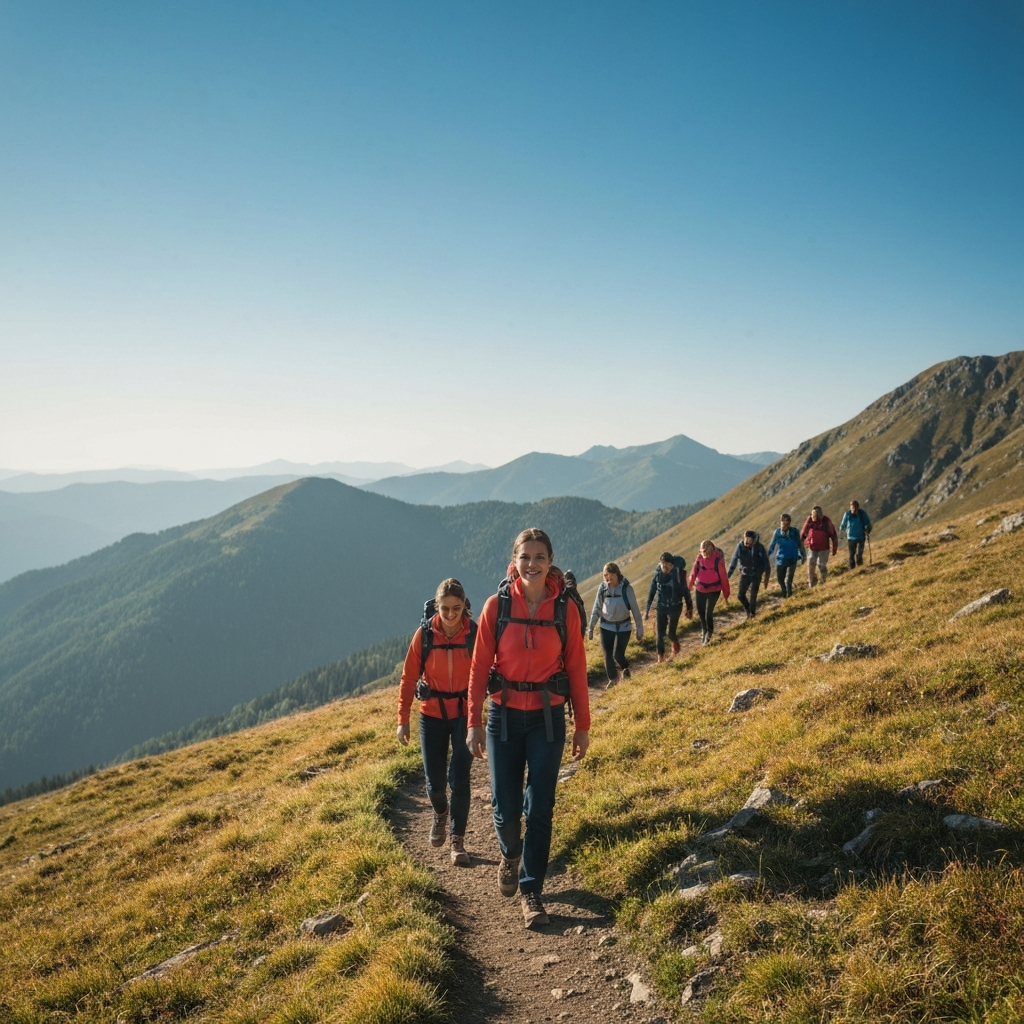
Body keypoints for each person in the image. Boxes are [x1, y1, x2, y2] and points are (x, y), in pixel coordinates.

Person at [466, 528, 590, 930]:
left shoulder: (564, 609)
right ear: (514, 560)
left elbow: (577, 669)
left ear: (550, 560)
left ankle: (531, 888)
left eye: (539, 557)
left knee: (541, 805)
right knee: (504, 806)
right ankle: (510, 852)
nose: (532, 564)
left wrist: (582, 726)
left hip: (548, 716)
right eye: (525, 557)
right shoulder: (495, 606)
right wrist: (473, 721)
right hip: (502, 717)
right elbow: (479, 667)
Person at [397, 578, 476, 867]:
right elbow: (408, 677)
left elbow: (486, 673)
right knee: (435, 785)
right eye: (445, 608)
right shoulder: (425, 634)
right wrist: (402, 719)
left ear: (464, 606)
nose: (451, 614)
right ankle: (440, 812)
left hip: (465, 713)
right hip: (431, 713)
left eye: (457, 608)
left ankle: (458, 841)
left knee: (460, 778)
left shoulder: (474, 634)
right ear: (437, 607)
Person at [588, 562, 644, 685]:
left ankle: (625, 668)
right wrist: (591, 628)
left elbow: (635, 609)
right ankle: (613, 679)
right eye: (605, 576)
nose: (608, 579)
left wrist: (640, 629)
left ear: (617, 575)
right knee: (607, 654)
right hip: (606, 626)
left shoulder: (626, 589)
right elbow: (597, 608)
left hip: (624, 626)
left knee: (618, 654)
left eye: (611, 576)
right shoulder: (602, 588)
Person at [644, 551, 693, 663]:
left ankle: (675, 645)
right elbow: (652, 592)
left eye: (668, 566)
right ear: (660, 564)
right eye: (663, 565)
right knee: (659, 634)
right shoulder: (657, 574)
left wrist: (689, 608)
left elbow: (686, 592)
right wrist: (647, 610)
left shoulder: (678, 575)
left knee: (671, 633)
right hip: (661, 607)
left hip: (676, 607)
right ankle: (660, 659)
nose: (665, 568)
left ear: (672, 565)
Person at [688, 540, 730, 644]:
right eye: (703, 552)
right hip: (700, 589)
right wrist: (688, 587)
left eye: (706, 553)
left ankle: (709, 632)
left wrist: (726, 594)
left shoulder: (718, 561)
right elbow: (693, 573)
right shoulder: (699, 558)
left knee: (708, 613)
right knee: (701, 612)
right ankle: (704, 630)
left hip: (714, 590)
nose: (704, 555)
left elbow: (724, 578)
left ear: (711, 551)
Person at [727, 531, 770, 618]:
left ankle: (752, 614)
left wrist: (766, 578)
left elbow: (766, 563)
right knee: (740, 595)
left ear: (754, 540)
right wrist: (727, 576)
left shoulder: (759, 547)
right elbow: (734, 561)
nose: (747, 541)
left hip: (756, 574)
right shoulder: (740, 546)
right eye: (746, 538)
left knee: (753, 596)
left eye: (749, 539)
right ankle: (748, 610)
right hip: (745, 573)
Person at [767, 513, 806, 597]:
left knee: (789, 579)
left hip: (793, 558)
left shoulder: (794, 531)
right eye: (783, 521)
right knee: (780, 578)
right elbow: (772, 545)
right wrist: (766, 556)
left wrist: (803, 555)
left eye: (787, 522)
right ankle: (784, 591)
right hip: (781, 559)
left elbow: (800, 544)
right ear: (780, 522)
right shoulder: (777, 532)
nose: (785, 523)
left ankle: (789, 594)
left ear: (790, 522)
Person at [800, 505, 839, 587]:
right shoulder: (810, 520)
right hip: (812, 547)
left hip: (824, 548)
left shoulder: (826, 521)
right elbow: (804, 531)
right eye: (814, 515)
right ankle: (812, 583)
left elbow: (833, 534)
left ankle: (824, 580)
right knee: (811, 565)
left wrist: (835, 547)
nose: (816, 517)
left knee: (821, 565)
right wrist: (801, 542)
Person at [840, 500, 872, 568]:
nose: (854, 509)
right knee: (851, 554)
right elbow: (843, 524)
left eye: (855, 507)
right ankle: (852, 567)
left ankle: (860, 565)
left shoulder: (862, 513)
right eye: (852, 507)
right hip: (851, 537)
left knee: (860, 553)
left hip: (861, 536)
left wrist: (868, 529)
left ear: (858, 507)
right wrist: (841, 532)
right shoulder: (847, 514)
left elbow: (867, 522)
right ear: (850, 507)